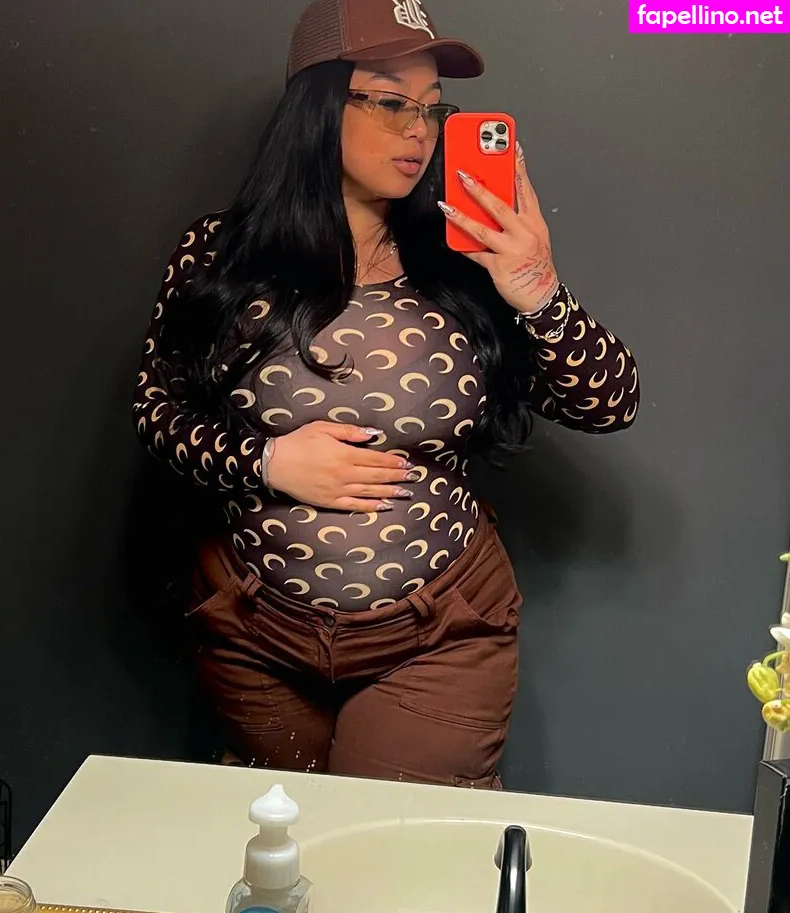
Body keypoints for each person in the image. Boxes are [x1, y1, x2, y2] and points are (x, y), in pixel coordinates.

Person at [133, 0, 639, 789]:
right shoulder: (219, 254)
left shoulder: (468, 262)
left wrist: (538, 288)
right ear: (318, 108)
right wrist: (264, 462)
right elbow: (157, 412)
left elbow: (609, 403)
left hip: (436, 634)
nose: (419, 130)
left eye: (432, 107)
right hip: (256, 635)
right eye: (391, 101)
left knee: (395, 847)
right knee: (287, 843)